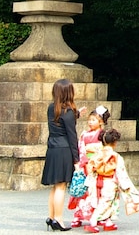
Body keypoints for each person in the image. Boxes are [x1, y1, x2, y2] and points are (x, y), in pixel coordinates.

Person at [41, 79, 82, 231]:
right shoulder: (68, 112)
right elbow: (72, 136)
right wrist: (76, 159)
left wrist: (76, 114)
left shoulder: (52, 108)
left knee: (55, 186)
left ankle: (51, 216)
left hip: (52, 148)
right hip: (64, 150)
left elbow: (61, 122)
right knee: (61, 187)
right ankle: (59, 219)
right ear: (68, 93)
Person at [84, 128, 139, 233]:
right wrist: (126, 186)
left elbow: (91, 169)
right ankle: (93, 221)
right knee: (106, 202)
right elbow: (121, 173)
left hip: (98, 180)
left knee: (107, 201)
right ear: (114, 142)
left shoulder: (97, 155)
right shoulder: (115, 156)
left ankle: (108, 222)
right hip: (110, 182)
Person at [70, 106, 110, 228]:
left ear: (101, 122)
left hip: (98, 166)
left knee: (98, 192)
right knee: (83, 191)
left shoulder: (102, 135)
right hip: (85, 165)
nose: (90, 122)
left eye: (93, 120)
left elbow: (105, 150)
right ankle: (79, 215)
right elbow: (81, 148)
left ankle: (100, 215)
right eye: (90, 119)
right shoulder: (84, 134)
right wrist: (82, 162)